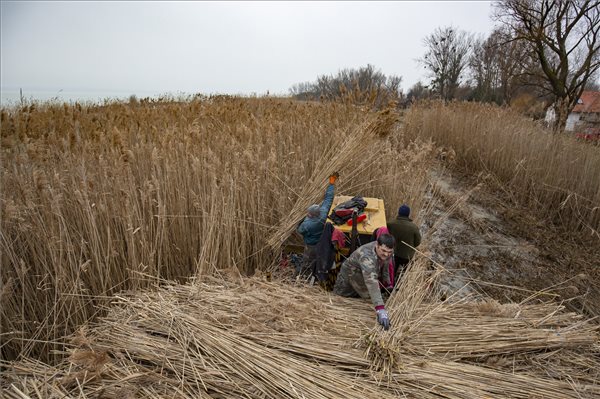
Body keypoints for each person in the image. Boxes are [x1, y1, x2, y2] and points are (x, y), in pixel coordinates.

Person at [333, 233, 395, 330]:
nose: (386, 254)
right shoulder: (366, 256)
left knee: (363, 298)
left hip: (364, 276)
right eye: (383, 251)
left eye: (389, 252)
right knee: (340, 300)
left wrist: (387, 284)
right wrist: (380, 309)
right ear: (377, 246)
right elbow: (371, 282)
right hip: (350, 276)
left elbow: (386, 266)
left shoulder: (387, 250)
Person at [296, 173, 338, 277]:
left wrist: (299, 222)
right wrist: (331, 184)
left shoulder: (307, 225)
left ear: (311, 214)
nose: (307, 214)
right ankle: (316, 273)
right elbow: (328, 198)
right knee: (318, 259)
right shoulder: (323, 212)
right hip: (321, 242)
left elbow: (300, 230)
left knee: (308, 260)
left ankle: (306, 275)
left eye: (308, 213)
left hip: (311, 245)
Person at [387, 204, 421, 283]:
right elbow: (417, 242)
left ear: (398, 213)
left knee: (393, 270)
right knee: (404, 272)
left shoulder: (390, 223)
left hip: (393, 253)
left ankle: (390, 283)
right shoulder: (414, 227)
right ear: (408, 214)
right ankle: (400, 284)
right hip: (407, 255)